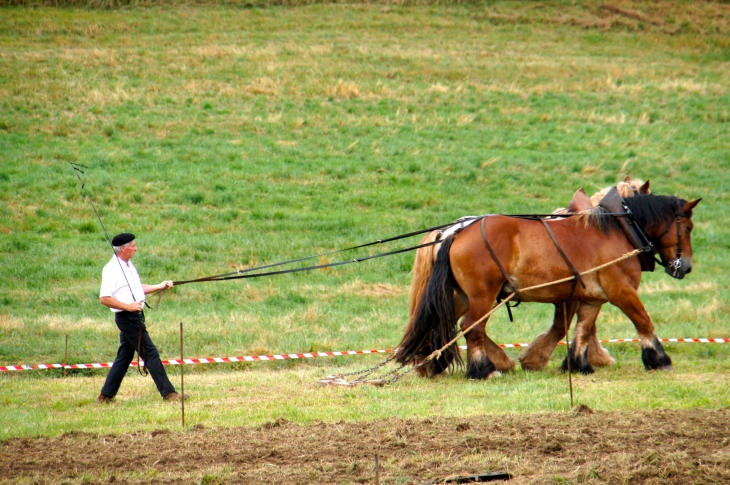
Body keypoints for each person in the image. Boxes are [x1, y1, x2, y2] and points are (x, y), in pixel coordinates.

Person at [96, 233, 185, 403]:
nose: (136, 248)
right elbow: (104, 298)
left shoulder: (128, 265)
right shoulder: (111, 269)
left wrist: (161, 285)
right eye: (133, 245)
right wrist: (128, 306)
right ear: (123, 248)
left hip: (135, 315)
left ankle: (105, 396)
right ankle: (169, 393)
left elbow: (138, 288)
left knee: (124, 356)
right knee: (150, 352)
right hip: (127, 317)